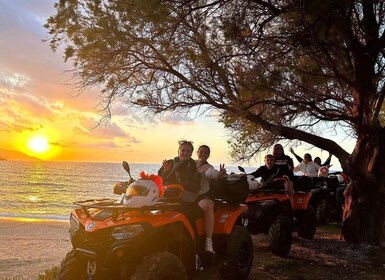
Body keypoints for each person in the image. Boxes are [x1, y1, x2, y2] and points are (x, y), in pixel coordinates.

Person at [158, 140, 201, 236]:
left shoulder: (193, 167)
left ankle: (193, 245)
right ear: (178, 151)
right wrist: (166, 171)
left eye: (188, 151)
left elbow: (195, 186)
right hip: (167, 197)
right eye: (183, 150)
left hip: (185, 199)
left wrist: (182, 186)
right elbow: (160, 179)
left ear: (191, 153)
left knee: (189, 217)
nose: (185, 153)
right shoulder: (169, 163)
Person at [195, 145, 226, 253]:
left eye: (206, 153)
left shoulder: (208, 167)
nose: (203, 154)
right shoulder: (190, 163)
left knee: (207, 206)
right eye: (201, 152)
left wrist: (219, 174)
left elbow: (211, 173)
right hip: (186, 194)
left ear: (208, 155)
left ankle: (208, 240)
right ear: (197, 152)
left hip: (202, 194)